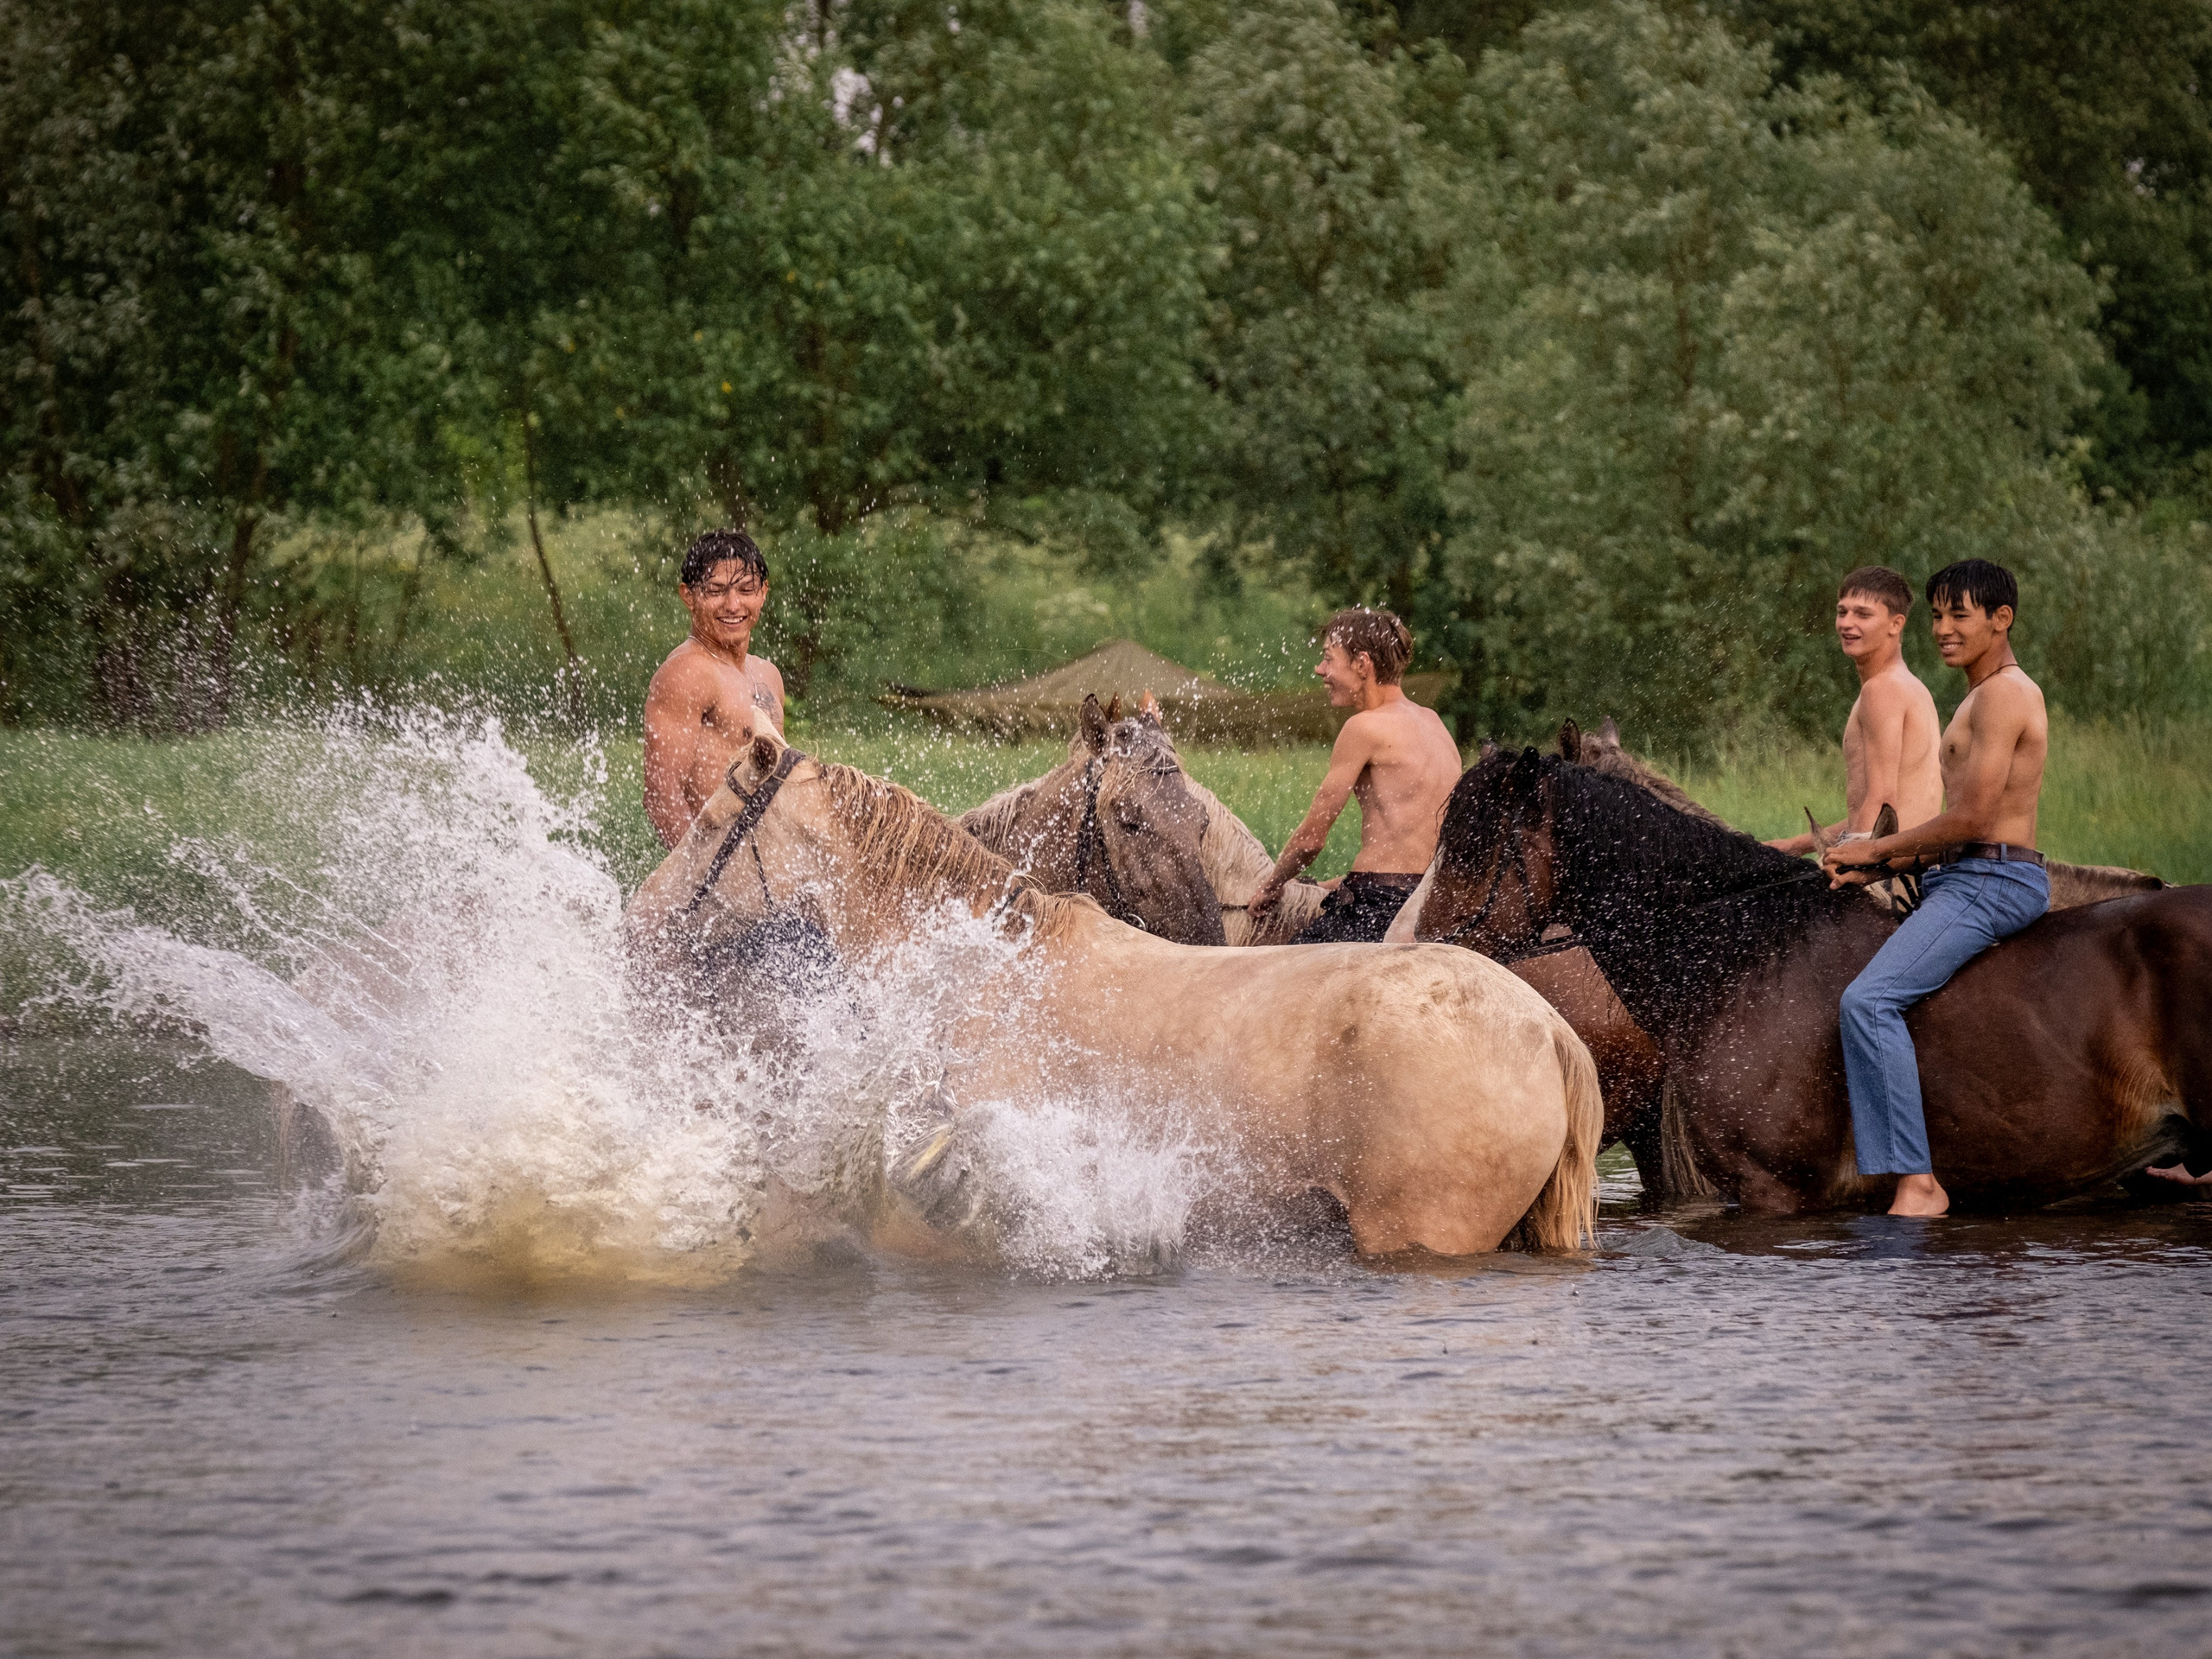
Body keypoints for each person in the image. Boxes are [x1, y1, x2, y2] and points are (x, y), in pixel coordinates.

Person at [1822, 559, 2050, 1217]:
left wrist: (1878, 846)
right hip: (1964, 872)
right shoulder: (1978, 696)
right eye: (1937, 616)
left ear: (2000, 619)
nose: (1943, 629)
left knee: (1867, 1002)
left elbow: (1976, 818)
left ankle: (1918, 1184)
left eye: (1960, 615)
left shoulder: (2007, 695)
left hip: (1991, 878)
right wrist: (1877, 866)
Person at [1249, 607, 1463, 944]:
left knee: (1279, 981)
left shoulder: (1364, 727)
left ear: (1362, 664)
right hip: (1434, 904)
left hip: (1378, 907)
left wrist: (1271, 886)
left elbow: (1310, 841)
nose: (1320, 670)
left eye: (1329, 659)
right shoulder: (1434, 724)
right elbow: (1412, 848)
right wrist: (1328, 885)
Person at [1767, 566, 1942, 858]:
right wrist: (1794, 846)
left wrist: (1851, 866)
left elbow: (1881, 800)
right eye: (1842, 612)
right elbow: (1887, 810)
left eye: (1863, 614)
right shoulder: (1906, 686)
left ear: (1896, 624)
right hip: (1906, 864)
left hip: (1889, 875)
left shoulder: (1882, 690)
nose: (1847, 623)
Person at [643, 529, 786, 850]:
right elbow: (660, 793)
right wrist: (702, 877)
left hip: (768, 869)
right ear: (688, 596)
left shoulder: (768, 674)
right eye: (716, 591)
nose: (733, 605)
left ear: (763, 592)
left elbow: (776, 786)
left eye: (746, 590)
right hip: (714, 871)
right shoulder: (688, 672)